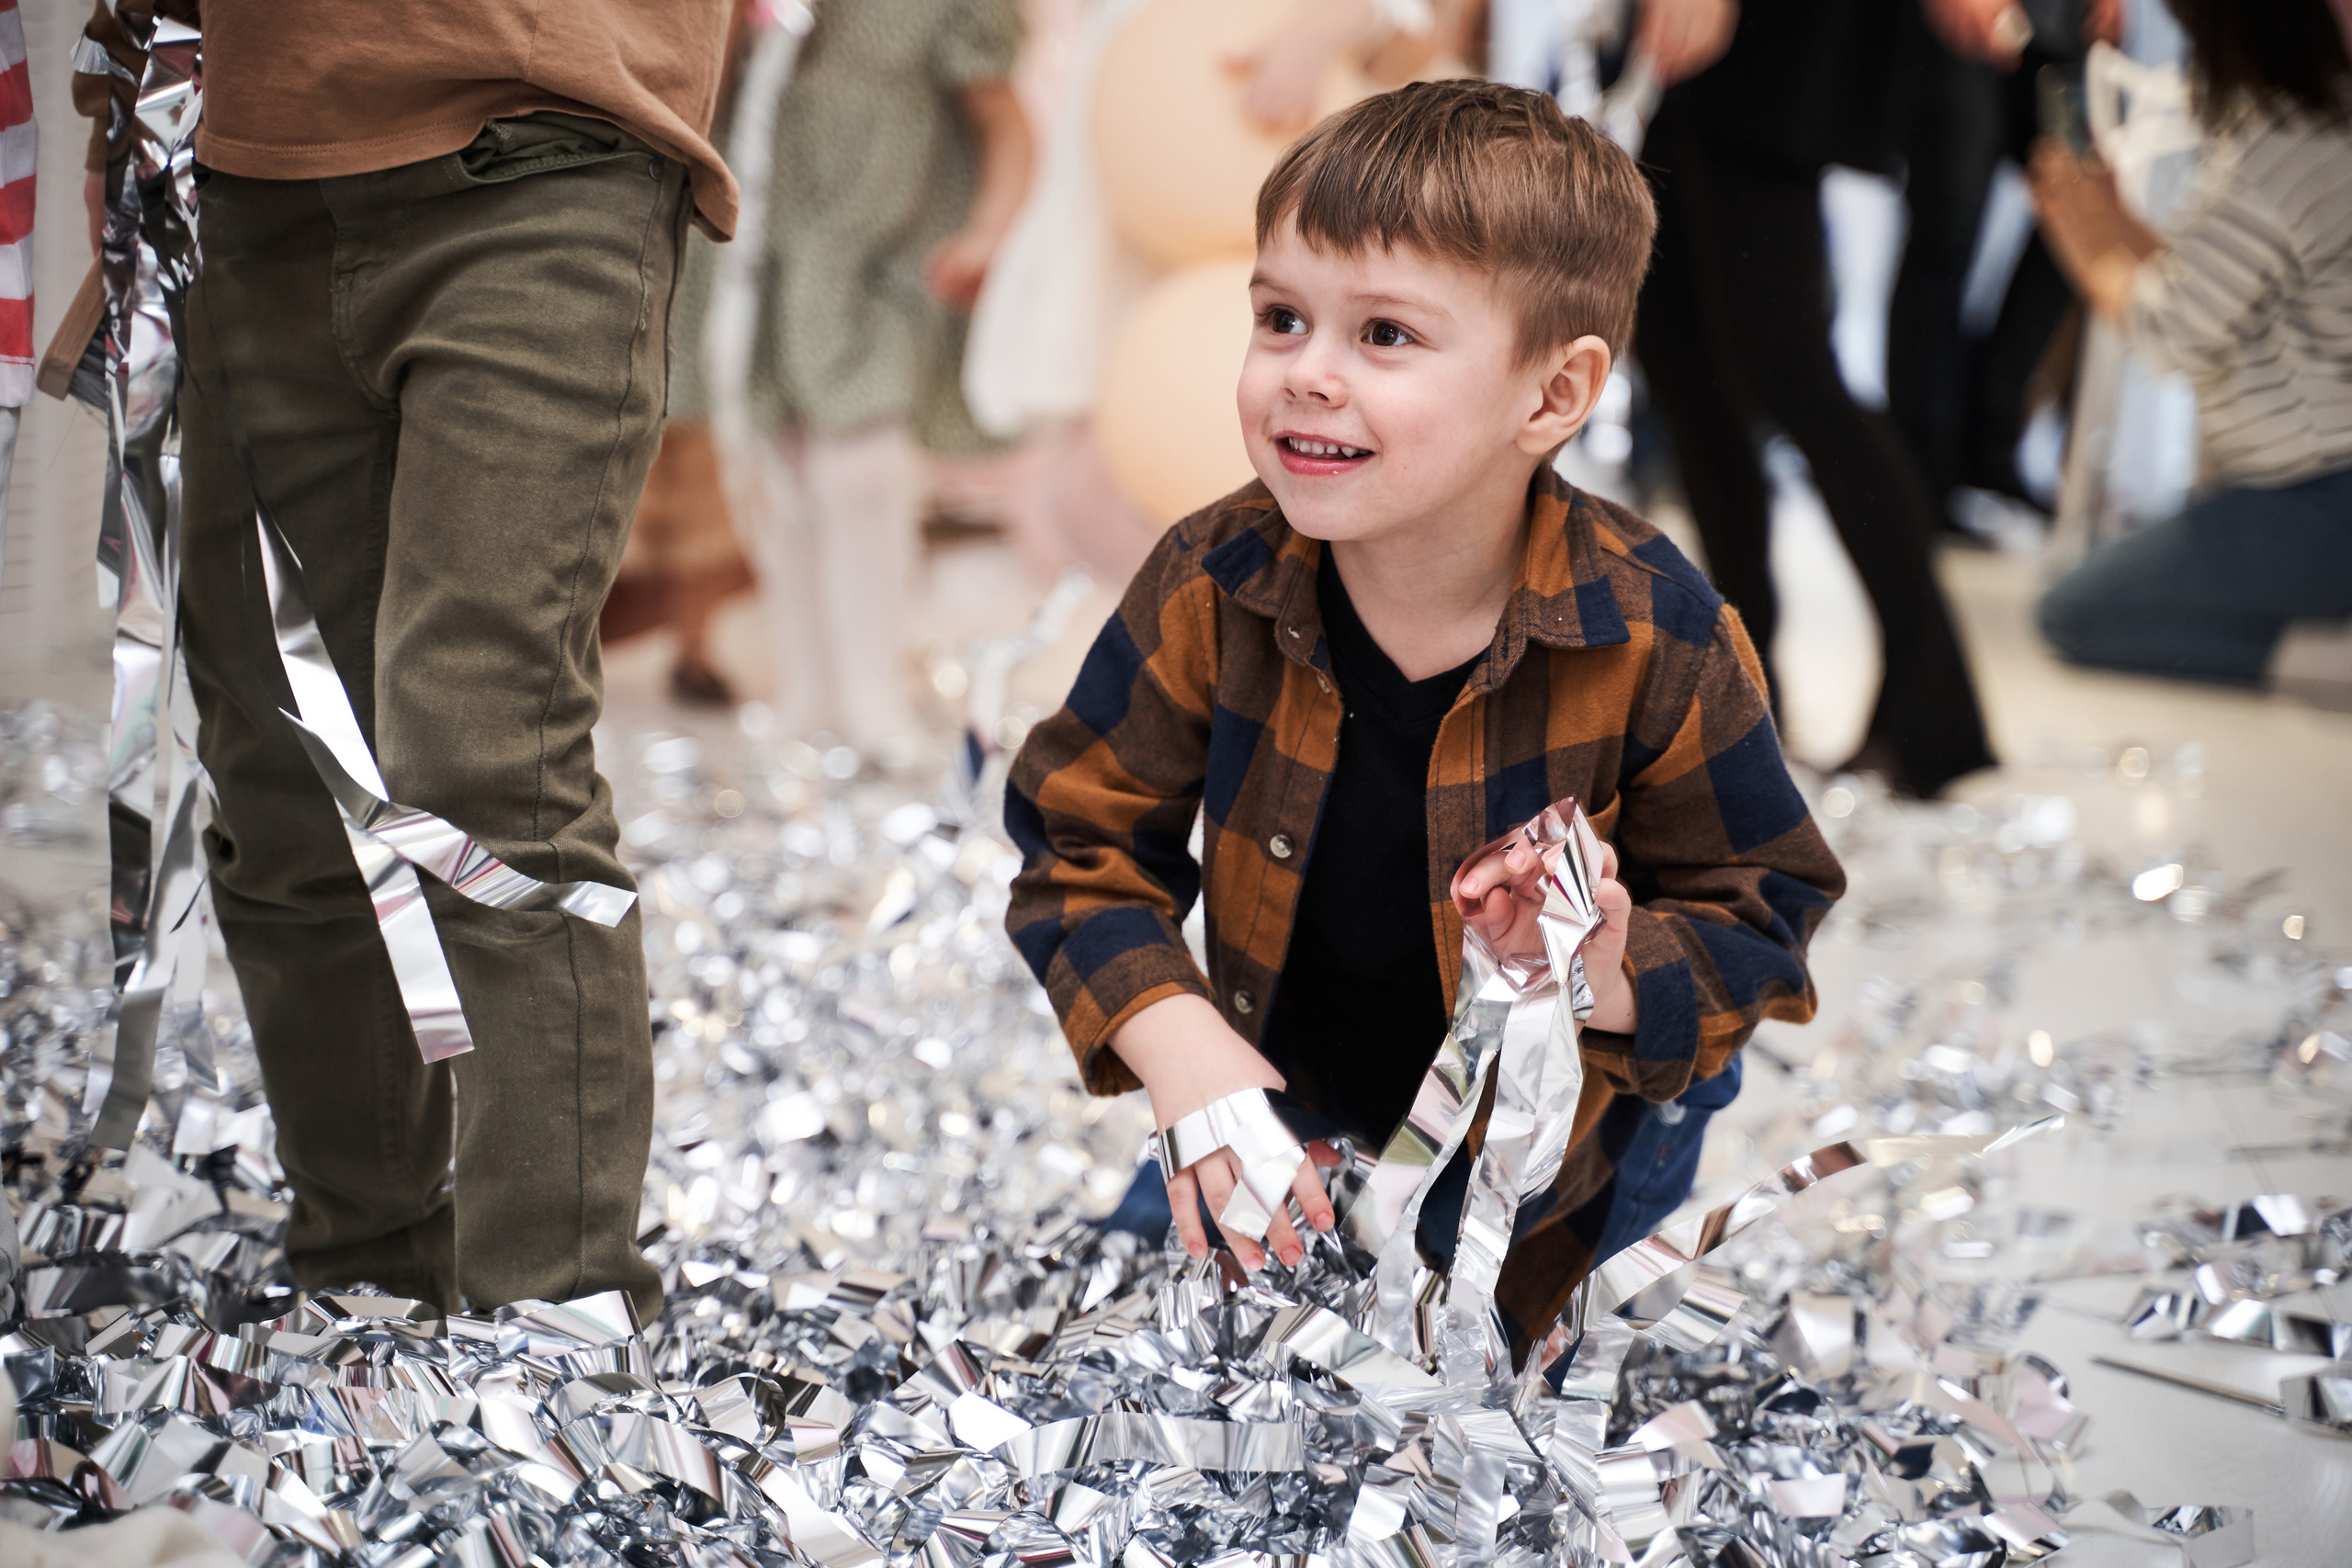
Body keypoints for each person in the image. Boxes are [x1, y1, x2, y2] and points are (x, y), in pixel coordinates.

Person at [1002, 82, 1844, 1355]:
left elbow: (1765, 918)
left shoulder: (1660, 630)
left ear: (1552, 398)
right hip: (1298, 1093)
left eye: (1385, 335)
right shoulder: (1211, 576)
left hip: (1554, 1150)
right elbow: (1077, 837)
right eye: (1281, 317)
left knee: (1426, 1395)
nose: (1308, 376)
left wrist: (1600, 968)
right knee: (1133, 1350)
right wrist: (1183, 1052)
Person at [78, 1, 736, 1325]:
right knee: (281, 781)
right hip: (240, 174)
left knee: (481, 750)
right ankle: (364, 1286)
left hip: (544, 153)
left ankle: (557, 1334)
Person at [1634, 0, 2000, 798]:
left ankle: (1932, 715)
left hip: (1769, 45)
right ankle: (1742, 697)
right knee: (1685, 356)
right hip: (1748, 62)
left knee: (1784, 369)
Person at [2032, 0, 2352, 682]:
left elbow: (2170, 331)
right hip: (2309, 486)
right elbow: (2209, 285)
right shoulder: (2308, 128)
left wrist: (2083, 242)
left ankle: (2317, 659)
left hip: (2315, 494)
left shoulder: (2277, 149)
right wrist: (2113, 223)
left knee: (2073, 614)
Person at [742, 0, 1033, 750]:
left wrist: (991, 231)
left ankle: (875, 689)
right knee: (779, 473)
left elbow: (1003, 121)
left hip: (887, 258)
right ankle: (808, 682)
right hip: (764, 251)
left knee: (861, 472)